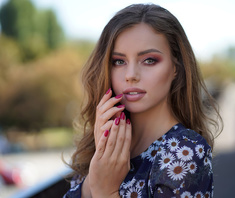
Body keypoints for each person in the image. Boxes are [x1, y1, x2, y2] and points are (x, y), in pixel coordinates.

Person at [64, 3, 222, 198]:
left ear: (176, 68)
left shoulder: (184, 151)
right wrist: (96, 171)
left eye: (149, 60)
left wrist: (106, 192)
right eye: (119, 61)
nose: (131, 75)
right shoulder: (101, 145)